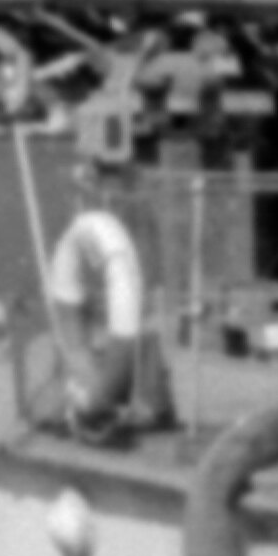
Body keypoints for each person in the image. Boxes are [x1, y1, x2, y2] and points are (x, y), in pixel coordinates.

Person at [40, 139, 169, 443]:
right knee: (86, 337)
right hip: (104, 283)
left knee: (140, 335)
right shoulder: (101, 198)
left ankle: (143, 403)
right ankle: (87, 402)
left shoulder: (132, 202)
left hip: (127, 285)